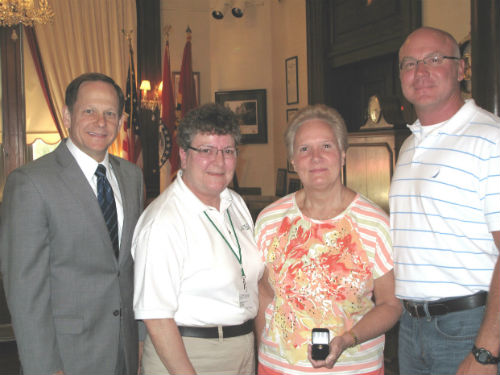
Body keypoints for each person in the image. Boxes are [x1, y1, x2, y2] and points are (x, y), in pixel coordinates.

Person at [0, 72, 144, 375]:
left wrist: (142, 341)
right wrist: (44, 367)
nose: (100, 122)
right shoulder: (31, 183)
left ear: (120, 121)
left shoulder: (132, 177)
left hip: (126, 351)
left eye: (110, 113)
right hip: (68, 358)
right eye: (88, 111)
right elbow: (25, 292)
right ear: (67, 115)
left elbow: (131, 269)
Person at [254, 104, 402, 375]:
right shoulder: (269, 220)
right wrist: (262, 350)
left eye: (326, 147)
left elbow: (391, 304)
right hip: (278, 368)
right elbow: (264, 292)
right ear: (292, 160)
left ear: (343, 155)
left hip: (355, 369)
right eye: (304, 149)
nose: (315, 158)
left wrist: (348, 338)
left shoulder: (374, 223)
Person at [390, 26, 500, 375]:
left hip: (468, 328)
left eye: (434, 59)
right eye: (409, 63)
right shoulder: (409, 146)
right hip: (410, 328)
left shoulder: (489, 140)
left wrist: (486, 351)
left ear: (462, 68)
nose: (420, 72)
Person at [132, 103, 264, 375]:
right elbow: (156, 316)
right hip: (189, 355)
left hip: (242, 348)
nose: (219, 161)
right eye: (206, 150)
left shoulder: (235, 203)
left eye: (228, 151)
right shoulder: (164, 221)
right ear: (183, 154)